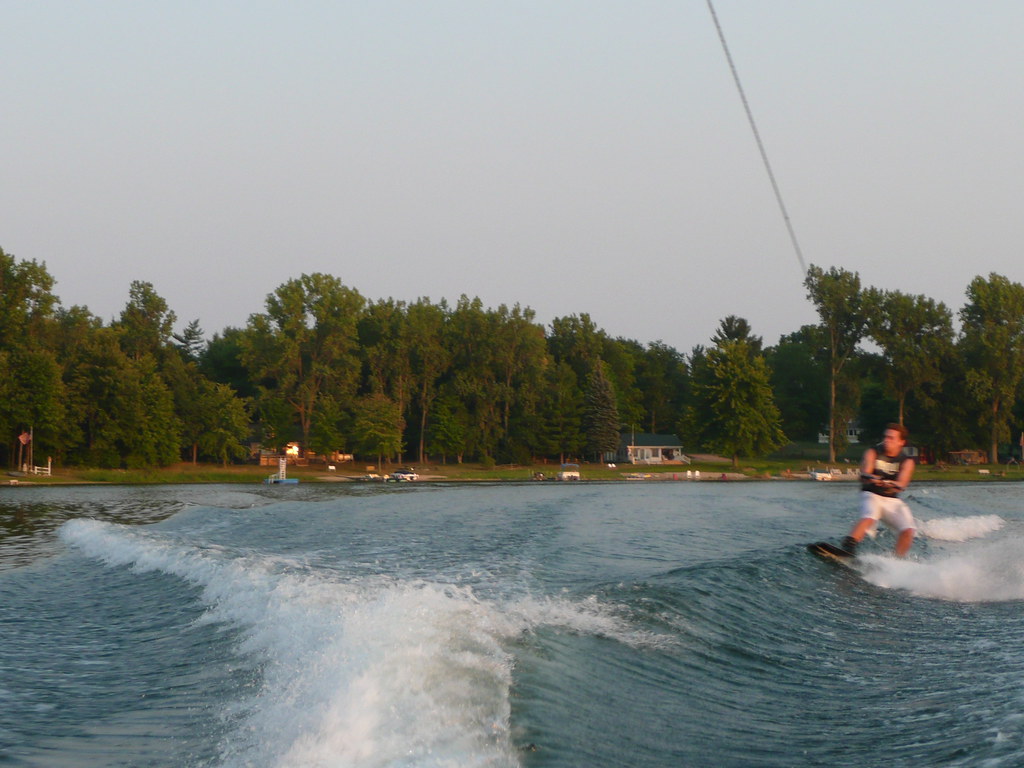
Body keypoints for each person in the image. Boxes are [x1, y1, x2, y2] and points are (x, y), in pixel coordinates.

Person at [841, 423, 916, 557]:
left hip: (892, 500)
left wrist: (892, 484)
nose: (886, 440)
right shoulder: (873, 452)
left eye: (891, 438)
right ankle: (848, 547)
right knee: (870, 515)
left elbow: (902, 483)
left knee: (908, 530)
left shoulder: (907, 461)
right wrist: (872, 478)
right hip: (871, 494)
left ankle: (897, 560)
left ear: (901, 442)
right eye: (886, 437)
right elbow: (865, 472)